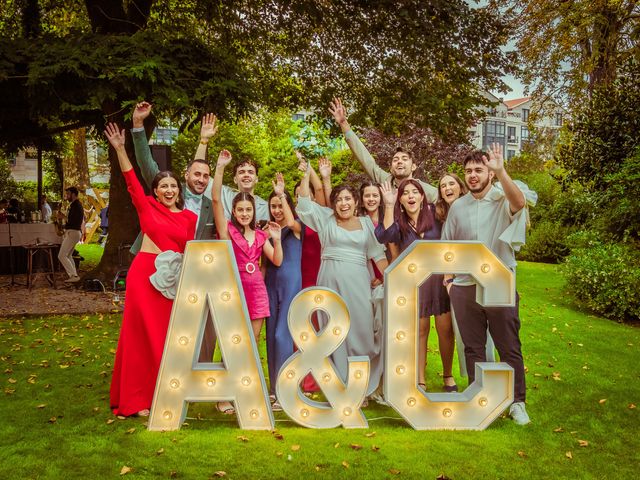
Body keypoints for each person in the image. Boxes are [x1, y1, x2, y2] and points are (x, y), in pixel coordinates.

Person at [105, 122, 197, 417]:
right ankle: (135, 400)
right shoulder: (147, 207)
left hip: (171, 281)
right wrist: (120, 148)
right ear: (156, 192)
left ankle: (165, 395)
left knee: (165, 337)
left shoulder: (189, 218)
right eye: (163, 186)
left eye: (173, 186)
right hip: (144, 277)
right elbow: (131, 177)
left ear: (178, 190)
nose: (169, 190)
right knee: (139, 336)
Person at [441, 144, 531, 425]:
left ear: (489, 173)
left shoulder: (503, 197)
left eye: (479, 170)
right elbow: (447, 245)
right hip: (465, 286)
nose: (473, 175)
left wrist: (501, 170)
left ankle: (517, 402)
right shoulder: (458, 206)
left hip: (499, 283)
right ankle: (476, 397)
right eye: (468, 171)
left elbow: (520, 204)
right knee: (472, 346)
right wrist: (448, 281)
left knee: (508, 345)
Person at [131, 102, 218, 363]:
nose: (201, 179)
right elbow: (146, 162)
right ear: (183, 177)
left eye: (206, 176)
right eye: (196, 175)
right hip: (153, 267)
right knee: (151, 326)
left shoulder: (211, 205)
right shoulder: (166, 190)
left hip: (187, 271)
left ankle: (187, 373)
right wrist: (138, 126)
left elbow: (200, 169)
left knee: (187, 326)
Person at [296, 164, 388, 397]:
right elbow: (305, 204)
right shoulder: (325, 219)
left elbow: (377, 255)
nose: (343, 203)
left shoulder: (367, 224)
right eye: (338, 199)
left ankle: (361, 387)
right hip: (330, 281)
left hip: (358, 282)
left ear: (356, 202)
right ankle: (338, 386)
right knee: (332, 331)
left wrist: (391, 279)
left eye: (348, 199)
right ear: (333, 203)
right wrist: (306, 175)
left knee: (362, 331)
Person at [213, 149, 283, 415]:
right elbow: (217, 201)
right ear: (235, 211)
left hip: (257, 292)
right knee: (232, 342)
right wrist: (220, 167)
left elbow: (276, 261)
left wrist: (276, 239)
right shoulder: (227, 231)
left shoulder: (261, 234)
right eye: (240, 209)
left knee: (251, 345)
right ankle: (223, 395)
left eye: (248, 210)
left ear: (254, 211)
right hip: (234, 289)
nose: (244, 213)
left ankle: (246, 391)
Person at [376, 179, 457, 392]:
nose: (410, 196)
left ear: (422, 196)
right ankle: (420, 379)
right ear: (401, 200)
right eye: (406, 193)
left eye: (415, 192)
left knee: (445, 330)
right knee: (420, 331)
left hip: (439, 281)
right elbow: (383, 235)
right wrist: (389, 204)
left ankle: (448, 375)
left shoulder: (436, 214)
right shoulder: (398, 222)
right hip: (415, 285)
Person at [436, 173, 497, 378]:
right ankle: (475, 384)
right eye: (443, 186)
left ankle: (490, 384)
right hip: (458, 285)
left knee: (486, 338)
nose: (447, 188)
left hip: (483, 281)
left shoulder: (475, 209)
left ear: (460, 187)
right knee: (466, 338)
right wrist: (449, 281)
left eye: (451, 183)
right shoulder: (444, 215)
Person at [329, 97, 438, 203]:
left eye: (404, 159)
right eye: (395, 160)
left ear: (413, 166)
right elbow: (366, 160)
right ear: (391, 168)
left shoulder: (428, 191)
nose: (399, 161)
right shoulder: (385, 181)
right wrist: (344, 124)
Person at [265, 173, 302, 410]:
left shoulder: (297, 227)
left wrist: (281, 193)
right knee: (270, 336)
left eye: (281, 205)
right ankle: (273, 389)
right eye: (274, 206)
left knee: (283, 335)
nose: (277, 209)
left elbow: (289, 222)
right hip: (270, 282)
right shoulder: (267, 230)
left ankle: (286, 388)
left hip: (291, 283)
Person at [194, 114, 270, 222]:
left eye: (250, 172)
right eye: (242, 172)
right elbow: (198, 170)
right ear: (235, 179)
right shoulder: (223, 194)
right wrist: (204, 140)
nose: (246, 175)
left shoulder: (266, 207)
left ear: (257, 179)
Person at [56, 187, 84, 283]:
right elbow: (72, 220)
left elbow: (73, 221)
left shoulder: (76, 206)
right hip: (73, 232)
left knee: (61, 256)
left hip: (73, 232)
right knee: (68, 255)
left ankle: (74, 276)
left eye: (68, 194)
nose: (66, 196)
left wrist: (63, 218)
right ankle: (74, 275)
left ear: (73, 194)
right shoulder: (74, 205)